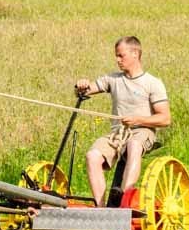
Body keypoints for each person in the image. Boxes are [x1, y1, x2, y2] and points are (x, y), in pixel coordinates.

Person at [73, 36, 171, 207]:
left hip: (142, 131)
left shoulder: (153, 83)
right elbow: (88, 89)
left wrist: (138, 119)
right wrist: (80, 86)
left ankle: (126, 201)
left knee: (133, 145)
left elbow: (165, 118)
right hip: (117, 134)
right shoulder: (113, 79)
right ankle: (100, 208)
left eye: (121, 55)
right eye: (116, 56)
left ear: (135, 53)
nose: (118, 60)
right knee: (92, 156)